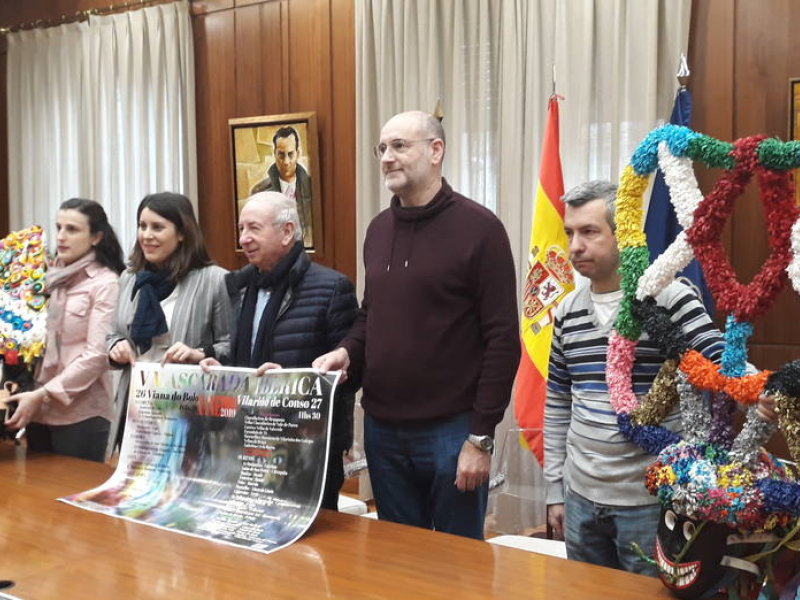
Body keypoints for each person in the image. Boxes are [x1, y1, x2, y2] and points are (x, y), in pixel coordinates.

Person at [313, 110, 519, 540]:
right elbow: (371, 315)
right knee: (398, 559)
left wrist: (480, 438)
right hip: (383, 430)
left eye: (399, 146)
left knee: (457, 562)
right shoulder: (378, 230)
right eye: (382, 148)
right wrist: (346, 351)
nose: (387, 157)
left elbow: (502, 340)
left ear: (435, 151)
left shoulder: (481, 229)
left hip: (452, 431)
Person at [543, 180, 724, 576]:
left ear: (623, 235)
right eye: (570, 233)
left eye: (589, 232)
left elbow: (722, 364)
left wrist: (764, 388)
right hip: (579, 499)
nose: (575, 246)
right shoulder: (567, 312)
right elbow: (557, 401)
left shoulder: (670, 297)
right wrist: (555, 489)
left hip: (650, 500)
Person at [202, 191, 359, 511]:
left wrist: (287, 383)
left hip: (307, 450)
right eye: (241, 229)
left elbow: (352, 375)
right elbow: (244, 357)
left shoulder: (332, 287)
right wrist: (217, 365)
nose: (243, 239)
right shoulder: (240, 288)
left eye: (254, 228)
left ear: (287, 232)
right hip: (247, 441)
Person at [107, 192, 230, 447]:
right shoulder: (129, 278)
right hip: (137, 408)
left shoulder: (215, 280)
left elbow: (231, 345)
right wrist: (116, 346)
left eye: (157, 227)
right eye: (142, 226)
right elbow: (113, 334)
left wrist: (197, 354)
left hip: (187, 412)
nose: (146, 235)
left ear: (182, 233)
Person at [6, 199, 125, 461]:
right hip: (34, 407)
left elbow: (97, 355)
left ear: (95, 237)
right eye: (59, 227)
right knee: (37, 486)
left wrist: (44, 395)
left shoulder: (106, 283)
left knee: (74, 486)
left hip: (80, 414)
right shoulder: (41, 277)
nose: (61, 236)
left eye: (72, 229)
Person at [248, 127, 313, 248]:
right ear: (274, 154)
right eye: (281, 155)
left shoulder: (313, 188)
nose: (286, 161)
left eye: (290, 154)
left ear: (298, 153)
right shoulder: (259, 193)